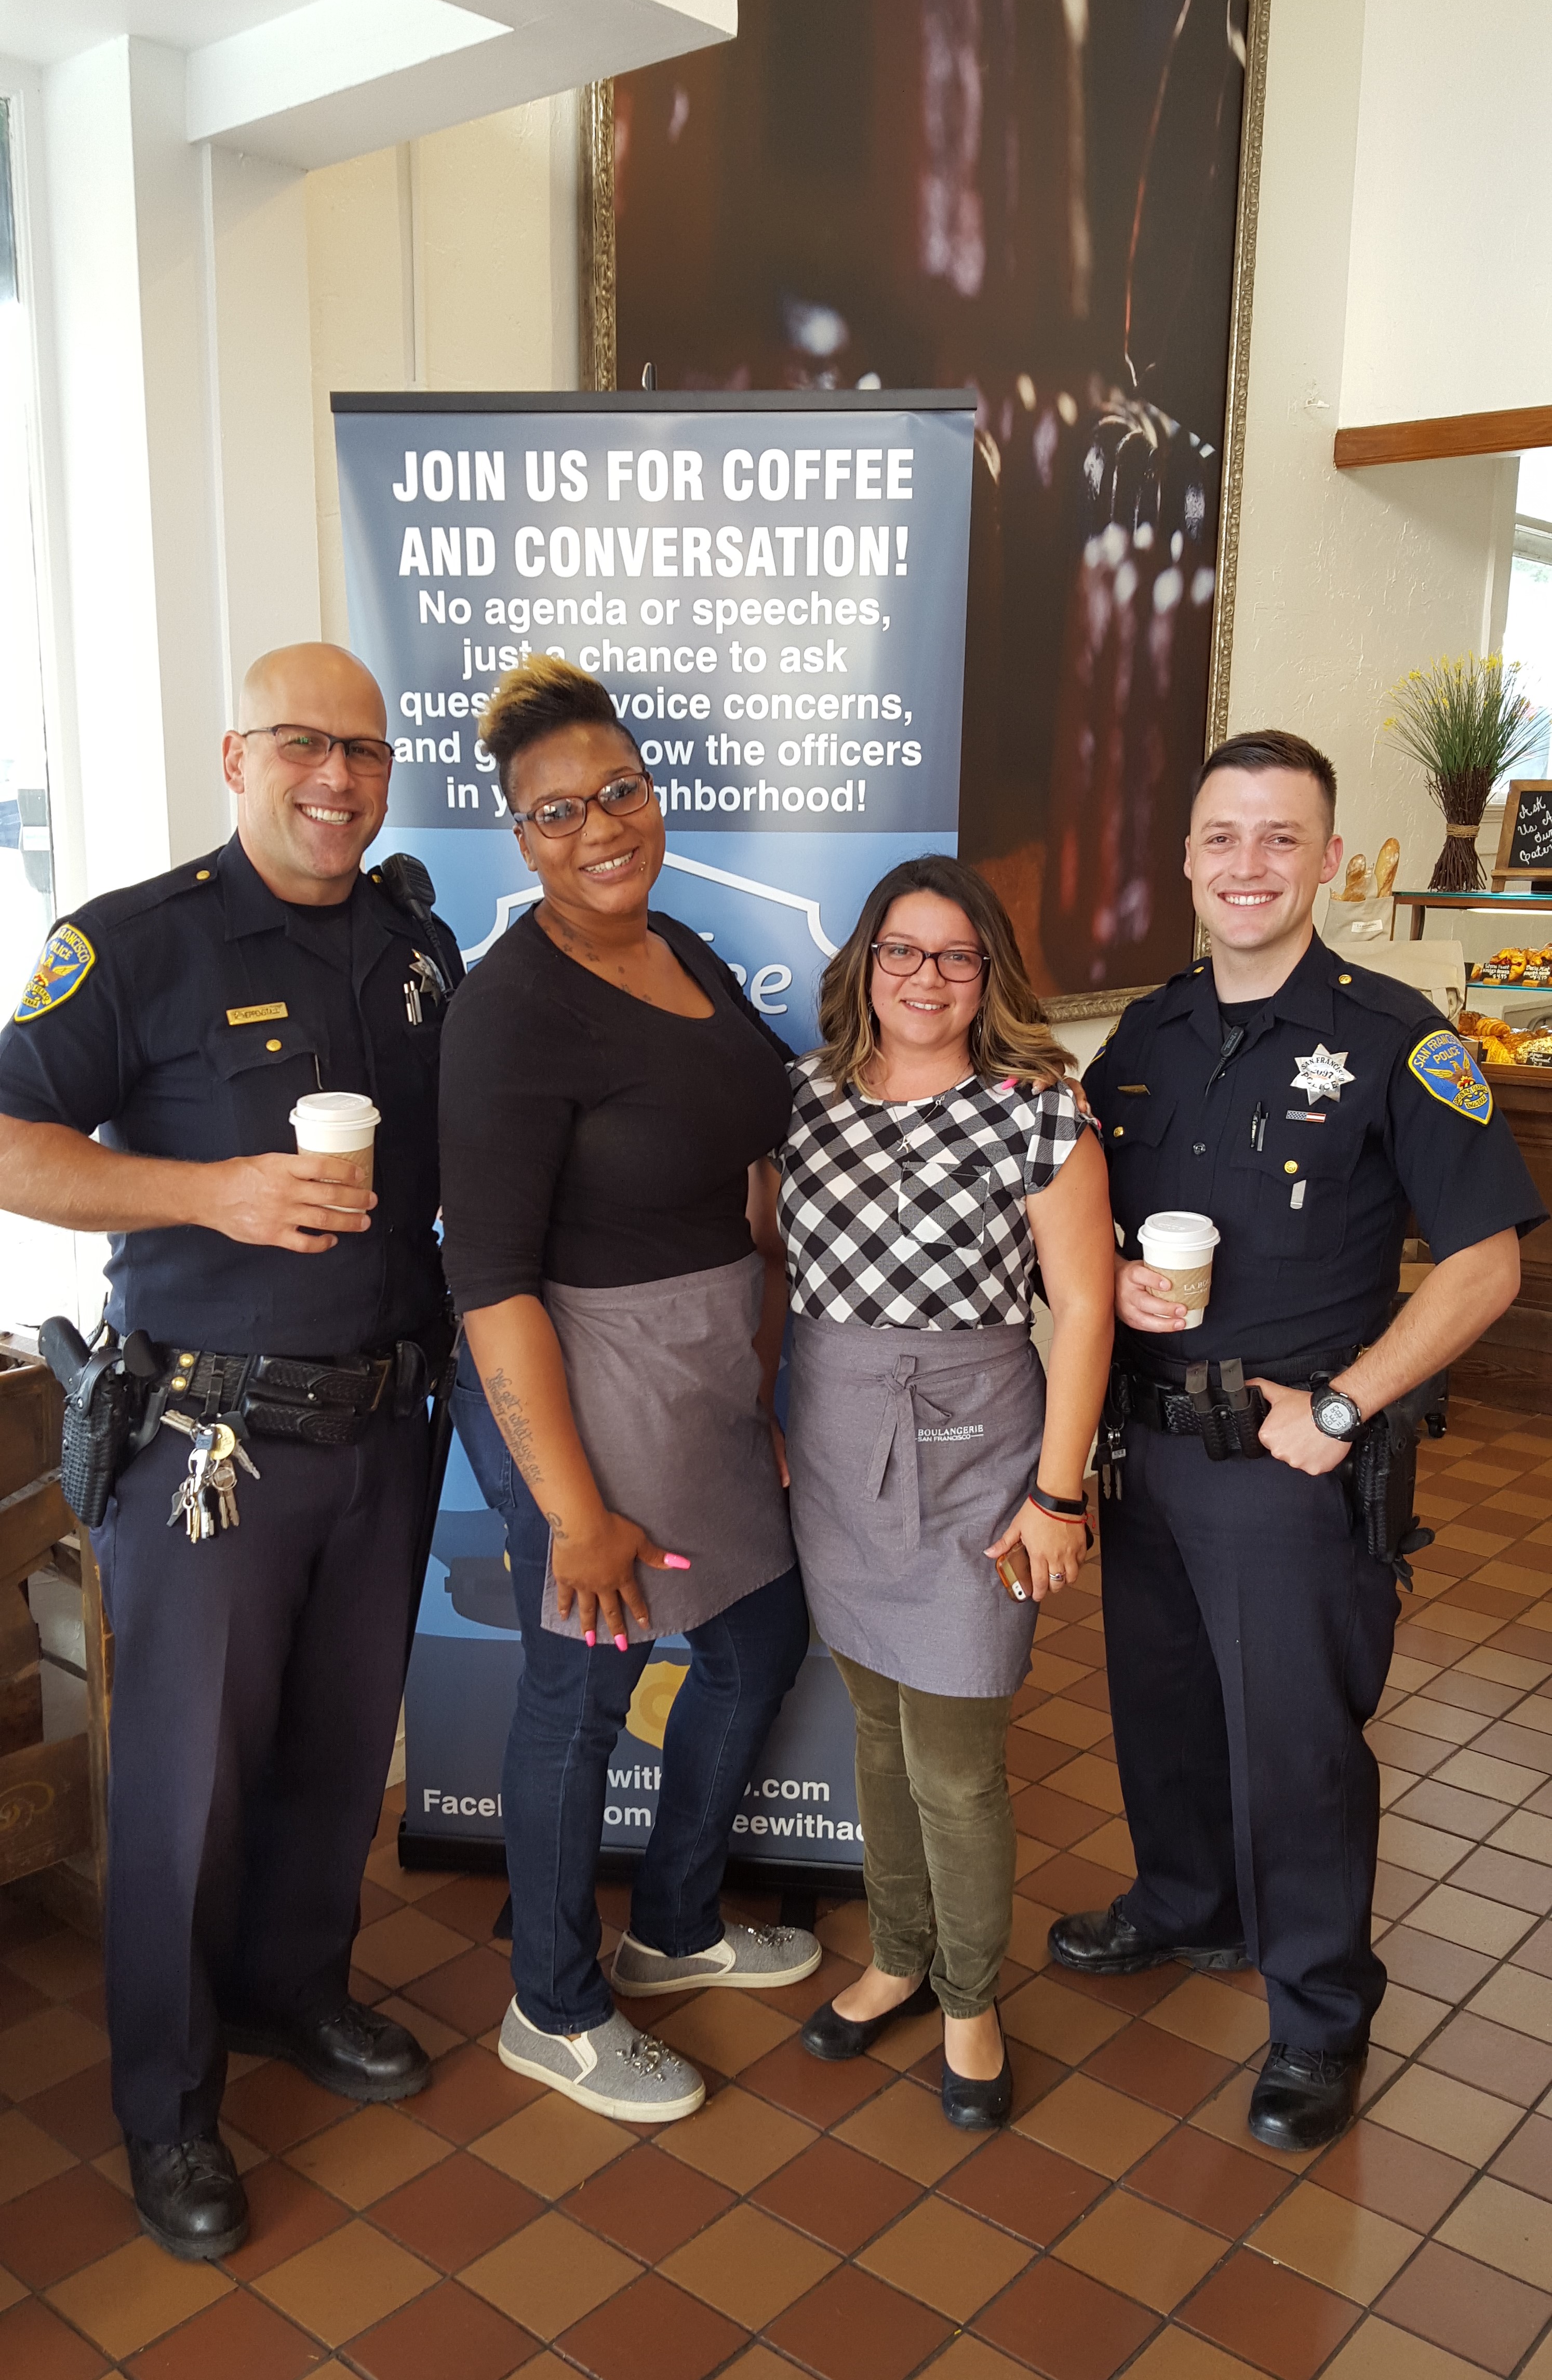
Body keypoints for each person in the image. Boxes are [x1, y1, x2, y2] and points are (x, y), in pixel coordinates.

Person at [0, 644, 458, 2258]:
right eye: (301, 746)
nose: (336, 778)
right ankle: (168, 2105)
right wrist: (213, 1192)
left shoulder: (415, 944)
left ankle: (293, 1996)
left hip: (384, 1426)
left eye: (364, 750)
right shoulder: (133, 943)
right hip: (209, 1444)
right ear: (234, 755)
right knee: (187, 1788)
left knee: (337, 1759)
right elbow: (11, 1144)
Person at [1056, 728, 1543, 2149]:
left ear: (1328, 861)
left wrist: (1342, 1409)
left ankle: (1319, 2013)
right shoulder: (1141, 1038)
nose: (1248, 865)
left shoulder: (1401, 1039)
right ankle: (1183, 1904)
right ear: (1188, 861)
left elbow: (1483, 1265)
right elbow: (1072, 1220)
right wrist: (1098, 1278)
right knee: (1158, 1712)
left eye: (1281, 839)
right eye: (1222, 837)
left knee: (1297, 1752)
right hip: (1141, 1449)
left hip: (1287, 1467)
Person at [438, 656, 815, 2129]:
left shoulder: (689, 952)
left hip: (708, 1373)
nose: (600, 828)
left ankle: (672, 1926)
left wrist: (771, 1370)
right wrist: (572, 1508)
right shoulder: (508, 1013)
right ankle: (553, 2005)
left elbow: (753, 1161)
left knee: (757, 1638)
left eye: (619, 792)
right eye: (555, 813)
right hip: (584, 1385)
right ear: (518, 839)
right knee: (581, 1691)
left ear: (652, 794)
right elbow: (491, 1285)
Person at [781, 856, 1115, 2126]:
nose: (927, 977)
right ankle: (899, 1960)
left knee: (958, 1757)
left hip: (980, 1451)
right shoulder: (802, 1097)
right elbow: (773, 1264)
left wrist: (1059, 1495)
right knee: (875, 1722)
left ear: (990, 977)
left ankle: (970, 1998)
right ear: (866, 962)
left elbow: (1082, 1307)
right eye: (902, 951)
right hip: (835, 1440)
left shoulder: (1039, 1108)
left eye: (956, 956)